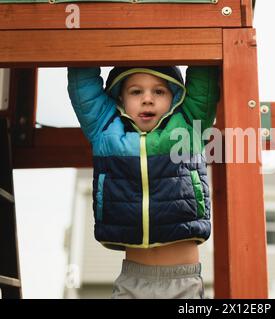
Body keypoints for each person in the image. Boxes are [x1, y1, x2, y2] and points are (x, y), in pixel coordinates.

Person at [67, 65, 220, 298]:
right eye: (136, 92)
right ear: (120, 97)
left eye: (159, 91)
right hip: (132, 281)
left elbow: (203, 78)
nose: (147, 99)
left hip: (184, 281)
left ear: (175, 96)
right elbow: (83, 83)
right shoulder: (105, 128)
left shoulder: (189, 124)